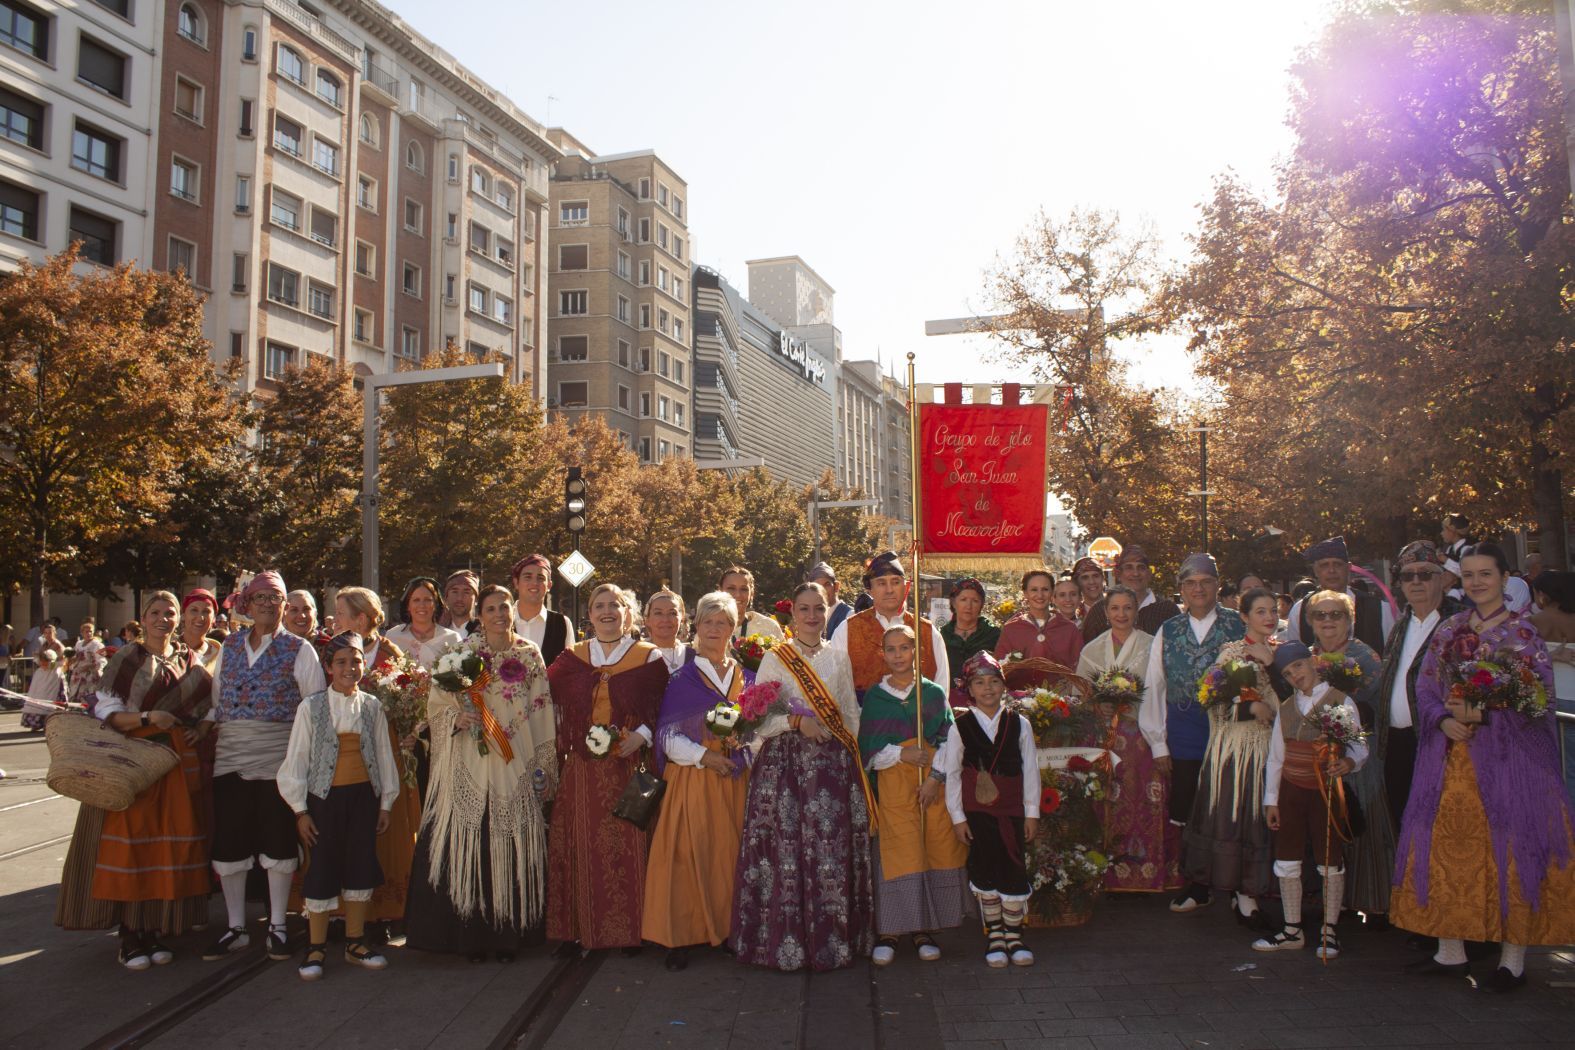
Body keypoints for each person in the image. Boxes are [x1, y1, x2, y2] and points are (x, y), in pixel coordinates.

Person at [1391, 542, 1575, 992]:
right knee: (1447, 852)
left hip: (1510, 765)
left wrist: (1490, 712)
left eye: (1485, 574)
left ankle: (1512, 960)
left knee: (1511, 854)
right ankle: (1450, 950)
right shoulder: (1450, 629)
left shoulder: (1523, 635)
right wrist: (1445, 720)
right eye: (1469, 574)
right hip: (1452, 763)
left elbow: (1540, 703)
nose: (1476, 582)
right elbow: (1427, 687)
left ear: (1504, 578)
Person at [54, 592, 212, 969]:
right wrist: (147, 718)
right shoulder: (129, 657)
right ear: (143, 618)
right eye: (155, 613)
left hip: (172, 764)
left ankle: (154, 928)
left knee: (164, 849)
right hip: (134, 761)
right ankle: (129, 935)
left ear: (178, 619)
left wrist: (202, 728)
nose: (163, 619)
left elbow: (208, 708)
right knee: (131, 846)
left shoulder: (189, 660)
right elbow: (109, 714)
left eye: (169, 613)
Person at [406, 584, 556, 961]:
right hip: (470, 760)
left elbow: (541, 708)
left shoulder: (529, 653)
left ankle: (509, 937)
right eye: (491, 608)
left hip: (515, 759)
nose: (499, 614)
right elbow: (437, 702)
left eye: (505, 607)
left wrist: (543, 762)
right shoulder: (462, 652)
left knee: (510, 844)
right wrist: (457, 716)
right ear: (480, 613)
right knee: (472, 844)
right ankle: (471, 939)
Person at [733, 581, 874, 971]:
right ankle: (780, 941)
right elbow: (756, 718)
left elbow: (850, 713)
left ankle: (832, 940)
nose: (812, 616)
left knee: (829, 851)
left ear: (828, 611)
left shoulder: (839, 658)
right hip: (784, 769)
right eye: (804, 609)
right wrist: (795, 721)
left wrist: (842, 741)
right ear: (792, 614)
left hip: (830, 767)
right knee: (785, 851)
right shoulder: (776, 657)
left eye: (819, 608)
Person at [203, 570, 326, 963]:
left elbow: (315, 708)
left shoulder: (299, 649)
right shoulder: (231, 646)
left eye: (275, 599)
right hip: (231, 759)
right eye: (261, 599)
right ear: (247, 604)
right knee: (231, 841)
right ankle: (236, 926)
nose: (268, 606)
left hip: (278, 760)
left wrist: (306, 764)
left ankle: (277, 924)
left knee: (277, 841)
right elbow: (218, 699)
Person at [547, 583, 670, 951]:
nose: (607, 612)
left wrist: (643, 735)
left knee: (626, 847)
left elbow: (664, 708)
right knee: (576, 844)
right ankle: (573, 929)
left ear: (628, 613)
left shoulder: (648, 658)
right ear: (589, 613)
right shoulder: (573, 657)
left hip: (628, 765)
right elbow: (548, 700)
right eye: (600, 605)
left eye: (615, 605)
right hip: (583, 770)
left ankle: (629, 933)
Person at [277, 631, 399, 980]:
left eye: (356, 660)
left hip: (363, 797)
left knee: (361, 861)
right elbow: (297, 759)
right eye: (341, 662)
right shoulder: (311, 707)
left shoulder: (372, 706)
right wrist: (300, 809)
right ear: (329, 667)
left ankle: (355, 942)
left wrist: (386, 803)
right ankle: (315, 947)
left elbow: (383, 755)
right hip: (324, 800)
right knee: (324, 864)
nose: (350, 668)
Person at [643, 592, 753, 971]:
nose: (713, 629)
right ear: (696, 627)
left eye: (721, 622)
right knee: (687, 856)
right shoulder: (683, 677)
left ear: (732, 629)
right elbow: (667, 735)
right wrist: (706, 756)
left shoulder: (745, 676)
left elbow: (760, 727)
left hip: (734, 778)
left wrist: (742, 755)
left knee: (728, 857)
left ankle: (725, 930)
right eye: (707, 622)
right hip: (693, 777)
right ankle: (681, 936)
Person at [1139, 553, 1246, 911]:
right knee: (1190, 806)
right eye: (1190, 583)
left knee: (1229, 803)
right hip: (1184, 727)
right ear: (1181, 589)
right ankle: (1197, 884)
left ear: (1217, 585)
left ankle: (1236, 887)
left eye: (1205, 582)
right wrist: (1158, 743)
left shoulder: (1238, 625)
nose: (1198, 589)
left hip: (1231, 727)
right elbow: (1154, 685)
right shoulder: (1168, 629)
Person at [858, 625, 968, 966]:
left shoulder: (933, 693)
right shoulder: (876, 698)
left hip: (929, 788)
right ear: (883, 654)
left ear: (916, 651)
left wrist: (935, 777)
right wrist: (903, 754)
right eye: (891, 649)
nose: (898, 655)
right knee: (898, 853)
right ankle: (890, 931)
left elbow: (951, 739)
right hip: (894, 789)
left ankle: (923, 929)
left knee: (929, 848)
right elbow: (869, 749)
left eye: (904, 648)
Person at [1254, 642, 1368, 960]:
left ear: (1313, 662)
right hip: (1291, 791)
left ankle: (1329, 931)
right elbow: (1276, 757)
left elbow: (1358, 747)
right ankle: (1292, 929)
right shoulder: (1288, 707)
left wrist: (1348, 763)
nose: (1295, 676)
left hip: (1325, 791)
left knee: (1329, 858)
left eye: (1299, 667)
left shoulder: (1340, 701)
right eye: (1288, 673)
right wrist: (1271, 800)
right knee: (1288, 858)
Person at [1182, 587, 1279, 927]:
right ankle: (1244, 896)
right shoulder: (1231, 654)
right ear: (1244, 617)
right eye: (1261, 612)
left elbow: (1300, 700)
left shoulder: (1285, 653)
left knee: (1263, 821)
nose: (1268, 618)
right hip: (1237, 751)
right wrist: (1248, 707)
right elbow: (1213, 700)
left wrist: (1274, 666)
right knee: (1239, 820)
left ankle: (1263, 890)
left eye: (1273, 611)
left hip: (1272, 749)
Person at [331, 586, 420, 933]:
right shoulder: (334, 650)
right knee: (346, 831)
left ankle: (384, 910)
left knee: (384, 829)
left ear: (361, 618)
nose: (335, 619)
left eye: (341, 613)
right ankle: (345, 911)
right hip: (343, 754)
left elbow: (410, 697)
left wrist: (410, 726)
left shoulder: (390, 652)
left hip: (385, 749)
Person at [942, 652, 1039, 968]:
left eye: (993, 681)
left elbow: (1031, 770)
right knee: (984, 868)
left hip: (1011, 812)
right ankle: (994, 932)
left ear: (1003, 686)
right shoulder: (960, 725)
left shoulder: (1019, 723)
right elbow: (953, 773)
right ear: (969, 689)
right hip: (977, 814)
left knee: (1012, 865)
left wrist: (1032, 812)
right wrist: (957, 817)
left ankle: (1014, 933)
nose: (987, 688)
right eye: (979, 683)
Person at [1305, 588, 1389, 923]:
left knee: (1364, 825)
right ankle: (1332, 901)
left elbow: (1378, 705)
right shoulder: (1306, 657)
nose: (1328, 621)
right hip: (1319, 755)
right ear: (1310, 621)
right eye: (1320, 615)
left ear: (1349, 620)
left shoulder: (1364, 656)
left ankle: (1373, 899)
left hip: (1359, 754)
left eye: (1335, 614)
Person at [1077, 585, 1166, 892]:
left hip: (1142, 736)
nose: (1121, 614)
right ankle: (1108, 873)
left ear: (1136, 611)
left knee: (1144, 803)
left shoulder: (1152, 645)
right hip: (1105, 738)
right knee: (1108, 803)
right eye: (1115, 608)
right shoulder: (1092, 649)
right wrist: (1098, 704)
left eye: (1127, 608)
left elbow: (1159, 690)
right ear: (1105, 613)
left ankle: (1147, 871)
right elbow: (1082, 694)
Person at [1375, 542, 1461, 832]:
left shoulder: (1460, 623)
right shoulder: (1401, 622)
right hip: (1396, 745)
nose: (1415, 582)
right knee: (1403, 827)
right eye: (1407, 576)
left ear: (1442, 578)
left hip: (1440, 745)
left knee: (1441, 830)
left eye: (1424, 574)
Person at [831, 551, 948, 700]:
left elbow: (942, 692)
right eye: (881, 583)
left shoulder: (928, 632)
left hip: (919, 721)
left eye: (895, 582)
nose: (889, 590)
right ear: (869, 589)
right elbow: (837, 688)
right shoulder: (847, 630)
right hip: (864, 721)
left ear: (906, 587)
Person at [1284, 537, 1393, 648]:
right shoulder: (1300, 611)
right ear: (1316, 571)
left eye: (1338, 564)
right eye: (1324, 565)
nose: (1332, 570)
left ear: (1348, 568)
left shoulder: (1379, 609)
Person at [1529, 570, 1575, 801]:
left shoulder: (1535, 622)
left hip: (1557, 701)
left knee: (1566, 771)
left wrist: (1550, 654)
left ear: (1543, 595)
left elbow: (1513, 653)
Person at [1082, 545, 1182, 642]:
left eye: (1141, 567)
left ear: (1149, 574)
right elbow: (1087, 654)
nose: (1135, 573)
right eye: (1129, 567)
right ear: (1118, 574)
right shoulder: (1099, 612)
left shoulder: (1168, 611)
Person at [994, 568, 1081, 670]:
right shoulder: (1011, 629)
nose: (1040, 595)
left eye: (1045, 589)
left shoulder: (1069, 629)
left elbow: (1080, 668)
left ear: (1052, 592)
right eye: (1034, 590)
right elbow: (999, 669)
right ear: (1025, 593)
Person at [940, 579, 999, 706]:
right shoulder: (941, 635)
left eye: (975, 601)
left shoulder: (993, 634)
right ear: (954, 603)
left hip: (985, 701)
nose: (969, 606)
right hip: (948, 701)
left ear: (981, 605)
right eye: (963, 599)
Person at [385, 577, 465, 671]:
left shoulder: (452, 638)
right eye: (416, 600)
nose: (422, 605)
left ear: (435, 605)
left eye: (427, 600)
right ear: (408, 606)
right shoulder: (393, 637)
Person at [511, 555, 576, 668]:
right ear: (516, 583)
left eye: (540, 578)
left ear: (549, 585)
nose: (534, 583)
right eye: (528, 577)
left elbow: (571, 669)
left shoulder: (562, 623)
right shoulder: (501, 620)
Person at [719, 567, 786, 640]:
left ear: (751, 594)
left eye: (744, 589)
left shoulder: (769, 628)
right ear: (720, 591)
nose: (738, 595)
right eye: (731, 588)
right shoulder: (706, 627)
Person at [645, 588, 690, 673]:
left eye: (672, 613)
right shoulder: (637, 655)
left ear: (681, 619)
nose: (665, 619)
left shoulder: (693, 657)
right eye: (658, 613)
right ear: (647, 620)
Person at [180, 590, 223, 671]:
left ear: (213, 619)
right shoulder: (168, 650)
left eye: (206, 611)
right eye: (194, 610)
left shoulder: (221, 654)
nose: (200, 618)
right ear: (183, 615)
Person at [68, 620, 106, 709]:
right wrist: (71, 659)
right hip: (78, 673)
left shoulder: (97, 645)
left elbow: (101, 660)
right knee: (75, 694)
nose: (89, 634)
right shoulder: (79, 643)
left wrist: (90, 667)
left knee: (87, 695)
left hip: (89, 674)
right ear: (82, 633)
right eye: (86, 632)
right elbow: (75, 656)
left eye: (91, 632)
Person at [811, 561, 856, 638]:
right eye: (817, 587)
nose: (822, 590)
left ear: (836, 586)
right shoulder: (812, 618)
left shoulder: (850, 616)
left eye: (827, 585)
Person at [438, 569, 480, 635]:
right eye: (455, 592)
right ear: (446, 597)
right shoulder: (436, 632)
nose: (459, 598)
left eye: (466, 592)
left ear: (476, 599)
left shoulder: (486, 631)